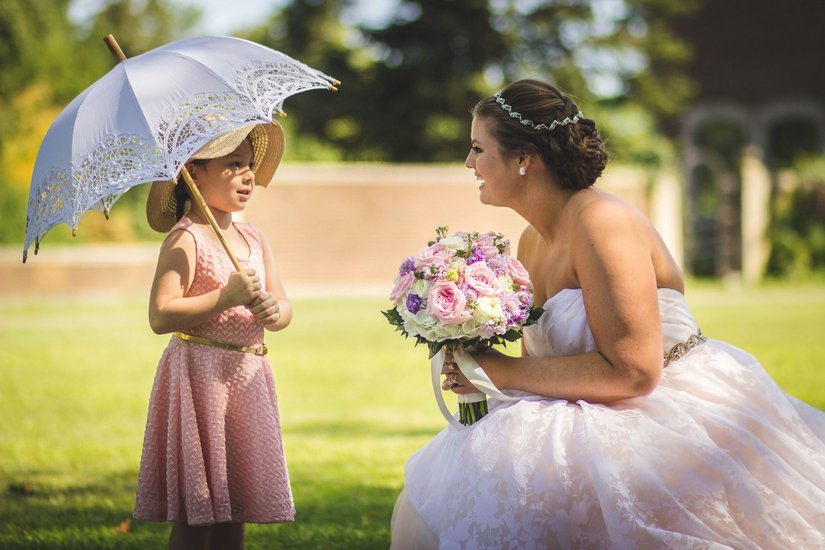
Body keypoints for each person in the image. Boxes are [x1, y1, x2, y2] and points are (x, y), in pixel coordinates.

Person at [390, 79, 825, 549]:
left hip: (663, 406)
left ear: (523, 158)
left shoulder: (603, 223)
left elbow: (636, 372)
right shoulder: (530, 242)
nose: (469, 162)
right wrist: (482, 374)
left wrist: (504, 371)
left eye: (478, 148)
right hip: (581, 404)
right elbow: (538, 361)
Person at [134, 122, 294, 550]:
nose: (247, 176)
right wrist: (226, 297)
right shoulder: (187, 239)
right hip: (201, 379)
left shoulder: (252, 237)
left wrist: (273, 311)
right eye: (233, 165)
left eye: (249, 165)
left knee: (235, 503)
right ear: (194, 173)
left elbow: (283, 305)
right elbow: (161, 314)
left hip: (246, 377)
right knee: (200, 507)